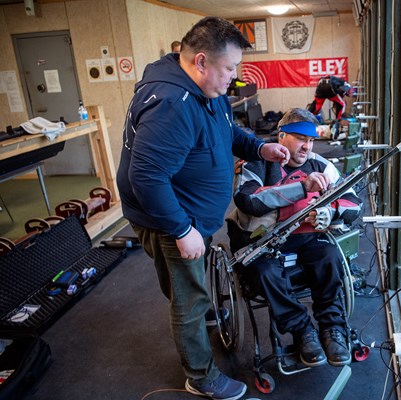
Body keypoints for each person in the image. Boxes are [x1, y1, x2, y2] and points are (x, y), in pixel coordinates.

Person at [116, 17, 290, 400]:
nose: (234, 77)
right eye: (230, 69)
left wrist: (259, 148)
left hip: (193, 214)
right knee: (188, 297)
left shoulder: (209, 91)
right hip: (170, 218)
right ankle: (200, 375)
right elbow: (146, 178)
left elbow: (226, 131)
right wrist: (180, 229)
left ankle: (200, 317)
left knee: (191, 288)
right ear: (200, 61)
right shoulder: (171, 105)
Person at [227, 107, 362, 368]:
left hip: (306, 238)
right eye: (301, 138)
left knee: (330, 254)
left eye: (311, 140)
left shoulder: (322, 165)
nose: (307, 146)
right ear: (282, 136)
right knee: (266, 271)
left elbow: (354, 203)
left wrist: (330, 211)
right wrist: (302, 188)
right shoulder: (256, 161)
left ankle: (332, 328)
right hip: (260, 240)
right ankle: (302, 331)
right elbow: (248, 200)